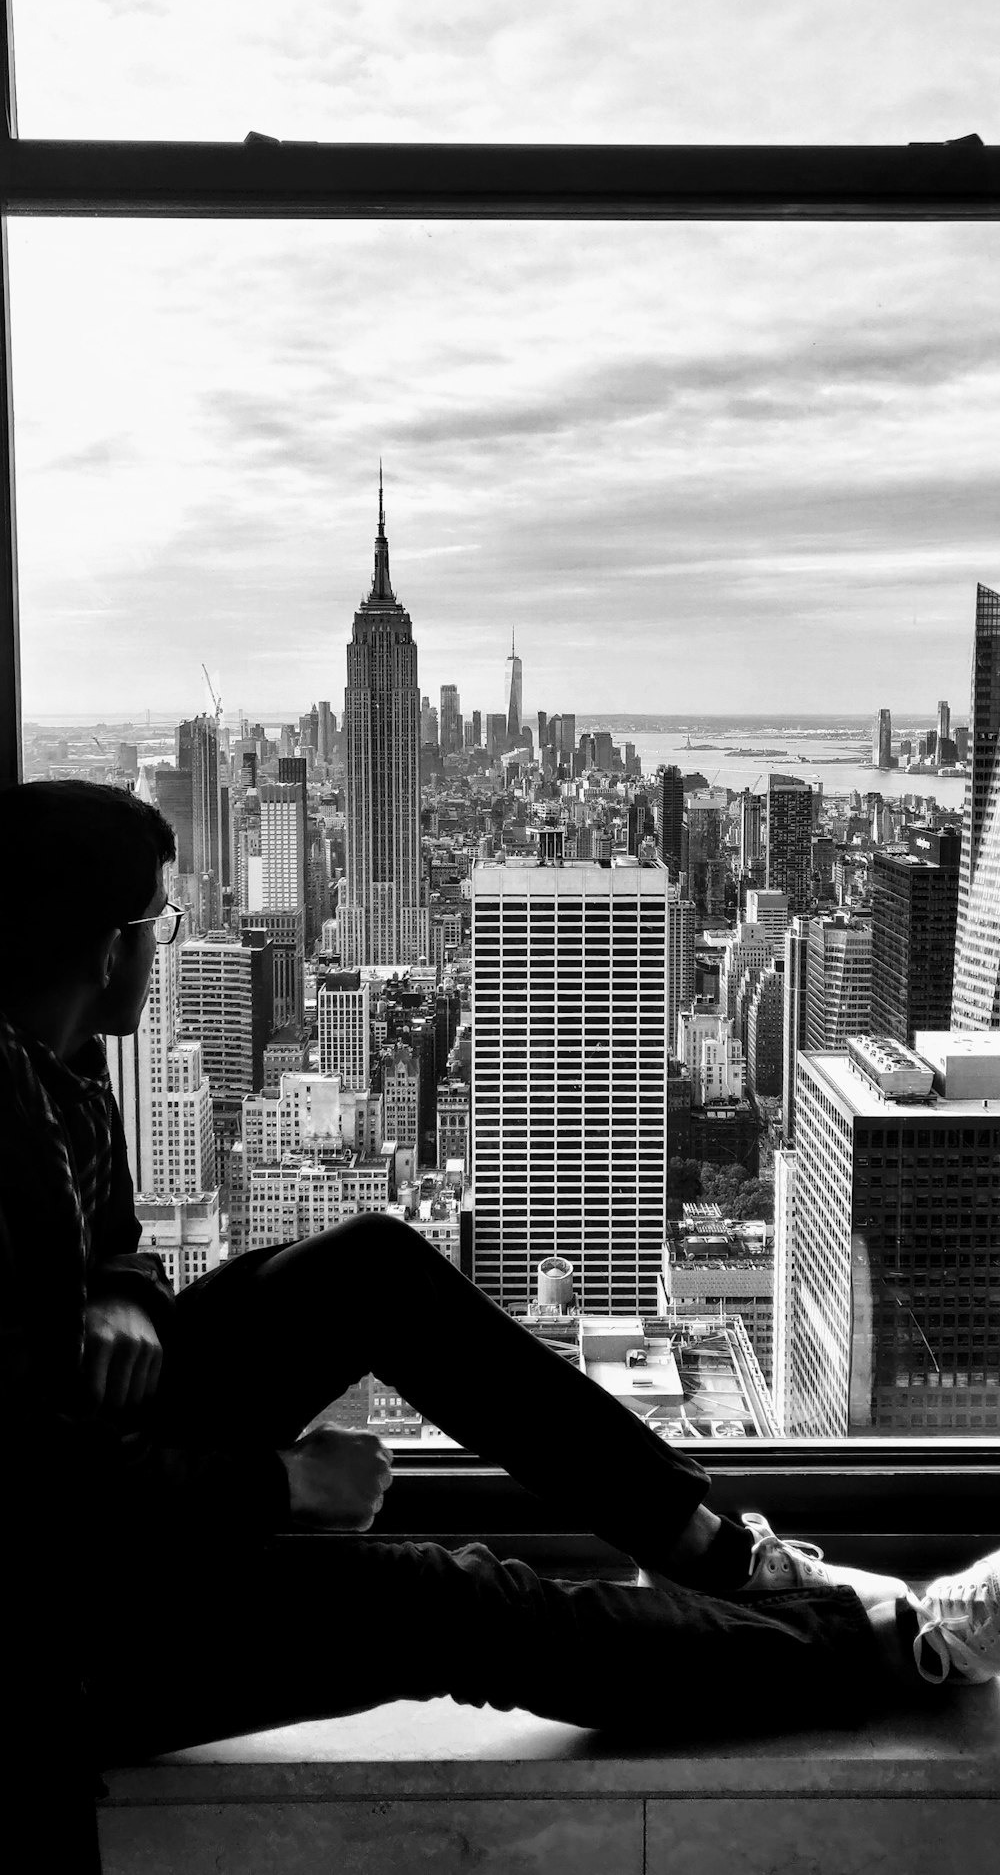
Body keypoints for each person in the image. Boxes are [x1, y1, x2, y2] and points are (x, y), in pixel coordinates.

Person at [2, 780, 998, 1869]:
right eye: (160, 924)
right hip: (65, 1617)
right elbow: (28, 1486)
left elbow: (118, 1244)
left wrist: (120, 1291)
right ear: (107, 950)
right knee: (446, 1601)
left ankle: (715, 1554)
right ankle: (888, 1643)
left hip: (112, 1461)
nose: (166, 945)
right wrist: (280, 1488)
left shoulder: (62, 1049)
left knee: (371, 1265)